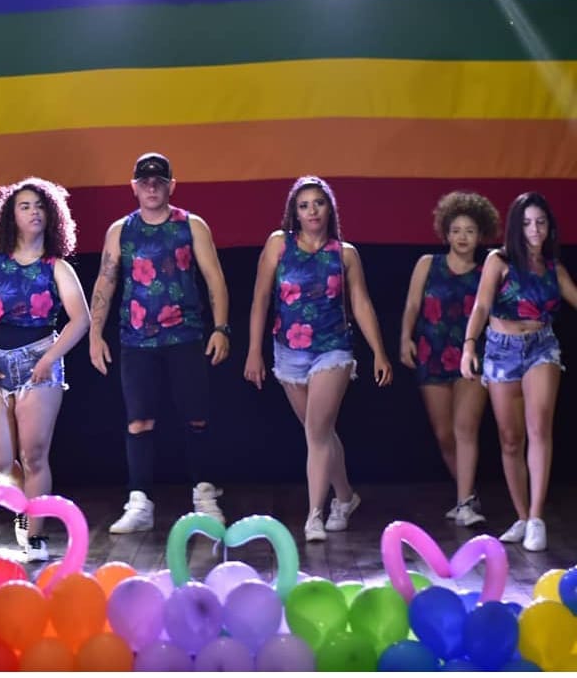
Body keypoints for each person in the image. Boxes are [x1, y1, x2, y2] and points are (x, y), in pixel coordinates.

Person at [244, 175, 392, 542]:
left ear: (330, 209)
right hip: (288, 351)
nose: (312, 211)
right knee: (320, 433)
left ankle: (315, 515)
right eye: (304, 205)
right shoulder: (279, 245)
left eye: (318, 203)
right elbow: (260, 299)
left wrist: (379, 352)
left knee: (317, 433)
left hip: (333, 347)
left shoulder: (345, 254)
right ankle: (346, 497)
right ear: (294, 212)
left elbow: (361, 303)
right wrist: (253, 351)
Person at [89, 152, 230, 535]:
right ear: (134, 187)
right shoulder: (121, 231)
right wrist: (95, 334)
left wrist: (221, 328)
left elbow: (214, 278)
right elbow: (106, 281)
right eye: (145, 181)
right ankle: (140, 502)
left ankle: (204, 497)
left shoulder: (191, 225)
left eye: (159, 181)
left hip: (185, 335)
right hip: (136, 340)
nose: (152, 187)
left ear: (171, 185)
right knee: (139, 421)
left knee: (196, 416)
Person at [0, 177, 90, 561]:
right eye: (25, 206)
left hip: (39, 363)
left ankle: (35, 536)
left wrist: (49, 359)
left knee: (33, 456)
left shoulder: (56, 266)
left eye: (40, 206)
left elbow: (80, 319)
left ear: (51, 215)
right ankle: (23, 507)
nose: (34, 212)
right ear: (10, 216)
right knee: (0, 462)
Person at [461, 192, 576, 552]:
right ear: (517, 227)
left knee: (538, 426)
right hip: (500, 349)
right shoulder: (500, 261)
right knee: (510, 439)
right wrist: (469, 345)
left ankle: (537, 518)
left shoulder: (554, 269)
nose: (535, 229)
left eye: (540, 222)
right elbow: (481, 306)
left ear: (549, 227)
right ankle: (523, 516)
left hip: (541, 346)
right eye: (527, 223)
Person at [399, 191, 500, 527]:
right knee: (445, 434)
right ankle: (466, 494)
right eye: (456, 230)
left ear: (481, 234)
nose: (462, 237)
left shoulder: (488, 270)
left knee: (465, 428)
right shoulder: (427, 264)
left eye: (470, 231)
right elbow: (412, 305)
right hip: (431, 353)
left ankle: (465, 503)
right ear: (446, 232)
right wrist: (405, 339)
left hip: (473, 357)